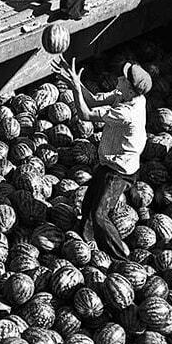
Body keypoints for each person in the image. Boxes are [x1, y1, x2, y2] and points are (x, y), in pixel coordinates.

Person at [55, 56, 152, 259]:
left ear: (132, 89)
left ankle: (120, 256)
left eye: (124, 78)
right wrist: (74, 80)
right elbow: (92, 100)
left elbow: (85, 114)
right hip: (116, 162)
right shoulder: (128, 96)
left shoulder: (127, 112)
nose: (120, 77)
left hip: (119, 171)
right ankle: (85, 239)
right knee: (89, 202)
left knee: (99, 215)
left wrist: (74, 88)